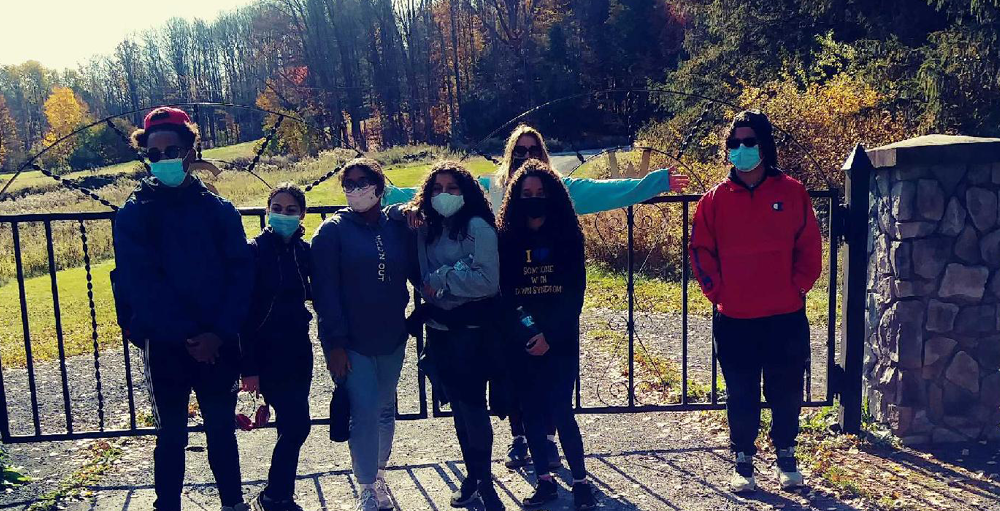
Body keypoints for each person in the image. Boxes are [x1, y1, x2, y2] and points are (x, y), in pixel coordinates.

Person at [387, 125, 690, 468]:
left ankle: (547, 444)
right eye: (519, 150)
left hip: (545, 298)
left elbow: (606, 192)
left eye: (533, 150)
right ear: (509, 153)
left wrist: (655, 183)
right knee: (512, 375)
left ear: (542, 154)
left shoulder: (556, 188)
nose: (525, 157)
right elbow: (431, 191)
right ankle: (520, 439)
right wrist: (387, 196)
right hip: (501, 300)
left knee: (549, 377)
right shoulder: (491, 187)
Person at [113, 107, 253, 511]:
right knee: (170, 433)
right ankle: (167, 505)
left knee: (221, 430)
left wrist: (219, 333)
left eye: (171, 149)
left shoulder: (219, 209)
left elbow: (239, 273)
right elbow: (140, 282)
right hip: (166, 344)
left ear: (192, 150)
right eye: (154, 154)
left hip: (217, 341)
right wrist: (185, 335)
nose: (163, 159)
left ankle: (233, 502)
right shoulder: (135, 212)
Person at [689, 110, 821, 493]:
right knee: (741, 391)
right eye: (735, 143)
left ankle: (786, 456)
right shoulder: (714, 200)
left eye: (749, 142)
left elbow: (810, 246)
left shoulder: (792, 192)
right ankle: (743, 461)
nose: (742, 149)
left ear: (764, 144)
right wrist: (718, 292)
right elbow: (700, 249)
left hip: (785, 315)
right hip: (735, 317)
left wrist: (797, 287)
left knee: (786, 390)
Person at [311, 158, 417, 511]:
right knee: (365, 411)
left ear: (379, 186)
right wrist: (334, 343)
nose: (356, 189)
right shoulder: (332, 231)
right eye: (349, 183)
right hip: (351, 342)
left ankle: (380, 473)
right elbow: (325, 293)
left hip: (391, 336)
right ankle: (366, 486)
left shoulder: (397, 225)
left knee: (386, 408)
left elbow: (413, 266)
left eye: (363, 182)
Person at [497, 159, 596, 510]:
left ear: (552, 195)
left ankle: (582, 482)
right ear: (516, 197)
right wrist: (530, 332)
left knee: (561, 410)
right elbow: (507, 295)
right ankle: (544, 481)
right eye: (527, 193)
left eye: (540, 192)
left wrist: (549, 335)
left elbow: (575, 294)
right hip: (522, 339)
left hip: (561, 339)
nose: (534, 198)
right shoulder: (506, 238)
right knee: (531, 412)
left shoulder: (568, 236)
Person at [408, 161, 505, 511]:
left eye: (452, 188)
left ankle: (484, 481)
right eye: (436, 188)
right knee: (460, 412)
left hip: (473, 332)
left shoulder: (478, 226)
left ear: (465, 191)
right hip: (440, 331)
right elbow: (423, 277)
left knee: (474, 407)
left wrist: (445, 278)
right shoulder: (426, 229)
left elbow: (487, 281)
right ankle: (472, 475)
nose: (444, 195)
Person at [240, 183, 313, 511]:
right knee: (298, 423)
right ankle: (274, 493)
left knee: (292, 424)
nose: (283, 214)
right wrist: (249, 368)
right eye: (277, 208)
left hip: (298, 350)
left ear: (302, 215)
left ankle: (280, 494)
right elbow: (243, 314)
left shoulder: (304, 253)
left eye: (291, 210)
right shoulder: (254, 251)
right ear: (268, 211)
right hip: (266, 352)